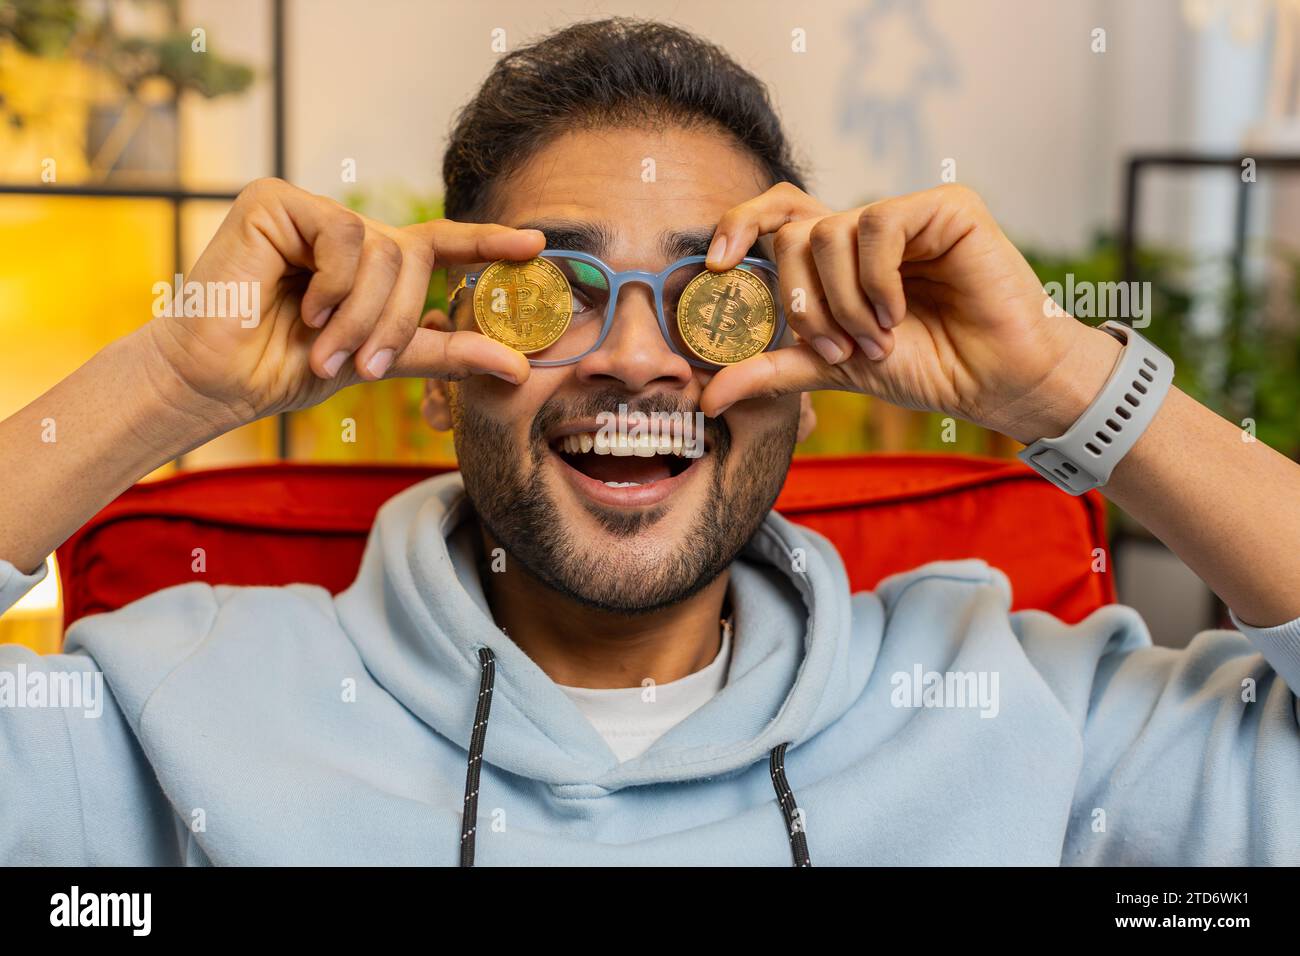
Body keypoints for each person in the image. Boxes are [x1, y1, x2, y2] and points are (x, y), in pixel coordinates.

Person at [1, 18, 1298, 867]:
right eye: (553, 290)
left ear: (812, 375)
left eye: (714, 296)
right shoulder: (175, 707)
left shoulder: (1019, 713)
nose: (634, 354)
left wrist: (1066, 379)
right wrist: (174, 374)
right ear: (439, 379)